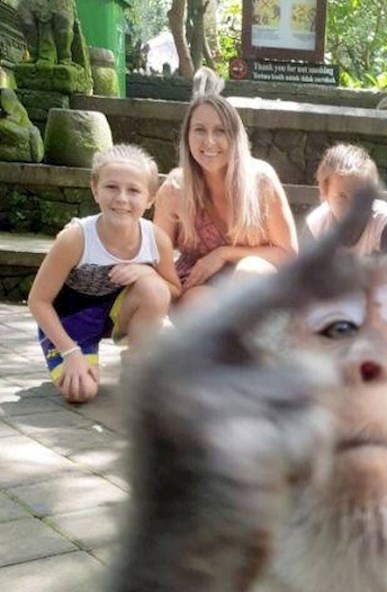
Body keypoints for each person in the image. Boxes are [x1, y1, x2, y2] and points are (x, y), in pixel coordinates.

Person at [28, 144, 179, 404]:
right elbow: (37, 301)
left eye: (133, 190)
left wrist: (146, 272)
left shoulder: (155, 239)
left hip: (115, 316)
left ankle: (137, 366)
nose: (121, 198)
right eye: (111, 187)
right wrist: (70, 352)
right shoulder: (75, 238)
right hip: (71, 323)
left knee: (154, 288)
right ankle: (78, 356)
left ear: (151, 198)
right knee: (81, 392)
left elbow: (173, 290)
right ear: (95, 190)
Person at [154, 67, 298, 309]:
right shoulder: (174, 189)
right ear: (187, 136)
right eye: (200, 130)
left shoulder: (260, 180)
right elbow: (159, 257)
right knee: (200, 309)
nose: (209, 141)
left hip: (259, 282)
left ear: (235, 137)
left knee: (249, 273)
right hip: (201, 287)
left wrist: (222, 254)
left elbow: (288, 255)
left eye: (220, 131)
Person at [300, 143, 387, 255]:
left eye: (359, 198)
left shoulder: (385, 222)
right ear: (325, 191)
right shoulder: (316, 226)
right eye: (342, 196)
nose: (351, 207)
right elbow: (303, 271)